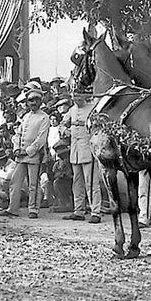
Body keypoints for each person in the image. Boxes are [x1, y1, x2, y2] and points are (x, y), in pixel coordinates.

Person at [1, 87, 51, 219]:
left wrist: (28, 151)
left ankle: (33, 209)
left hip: (34, 155)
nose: (33, 103)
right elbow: (18, 133)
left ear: (40, 102)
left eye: (35, 100)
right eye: (30, 101)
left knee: (33, 184)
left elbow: (41, 138)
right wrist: (16, 148)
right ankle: (13, 208)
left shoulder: (44, 118)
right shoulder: (26, 117)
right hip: (20, 155)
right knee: (14, 181)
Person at [62, 89, 102, 223]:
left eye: (78, 95)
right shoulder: (72, 110)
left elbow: (99, 128)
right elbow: (62, 124)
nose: (76, 98)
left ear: (85, 95)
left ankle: (95, 211)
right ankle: (78, 210)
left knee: (91, 183)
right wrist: (65, 130)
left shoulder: (93, 109)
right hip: (75, 150)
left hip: (88, 150)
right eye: (74, 96)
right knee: (77, 182)